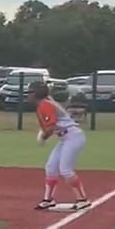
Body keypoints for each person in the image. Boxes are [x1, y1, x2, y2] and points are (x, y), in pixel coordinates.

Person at [33, 79, 88, 210]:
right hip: (66, 138)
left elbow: (51, 127)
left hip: (73, 136)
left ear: (35, 94)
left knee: (66, 170)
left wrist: (43, 138)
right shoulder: (45, 102)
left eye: (30, 92)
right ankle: (48, 199)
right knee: (51, 167)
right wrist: (44, 134)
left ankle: (82, 199)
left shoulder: (45, 104)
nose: (28, 95)